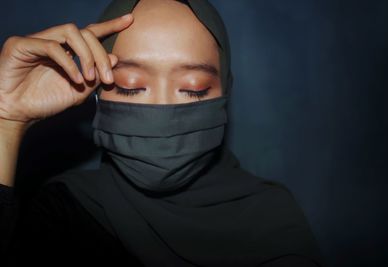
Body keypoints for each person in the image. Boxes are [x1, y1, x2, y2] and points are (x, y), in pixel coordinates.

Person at [0, 0, 326, 266]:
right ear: (95, 90)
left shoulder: (272, 221)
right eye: (131, 87)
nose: (162, 111)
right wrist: (5, 120)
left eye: (193, 90)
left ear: (225, 94)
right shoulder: (63, 212)